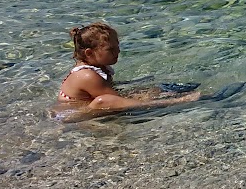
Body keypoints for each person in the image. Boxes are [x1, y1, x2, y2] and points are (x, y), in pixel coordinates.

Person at [52, 22, 199, 122]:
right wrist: (144, 98)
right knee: (104, 101)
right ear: (89, 53)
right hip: (74, 117)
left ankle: (171, 93)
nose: (118, 51)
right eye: (111, 50)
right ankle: (174, 102)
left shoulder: (97, 67)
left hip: (88, 108)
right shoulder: (86, 75)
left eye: (118, 46)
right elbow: (116, 98)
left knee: (147, 90)